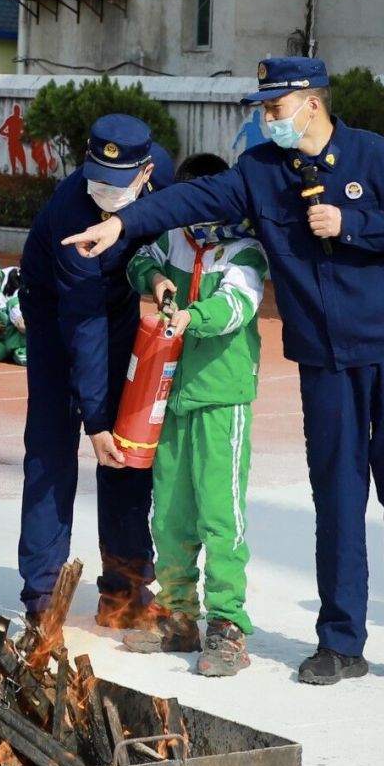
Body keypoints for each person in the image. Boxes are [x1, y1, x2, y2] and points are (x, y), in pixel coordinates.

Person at [64, 58, 384, 688]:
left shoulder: (378, 158)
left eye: (274, 108)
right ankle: (341, 641)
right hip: (323, 360)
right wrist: (121, 224)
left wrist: (353, 224)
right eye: (263, 109)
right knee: (338, 499)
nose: (266, 119)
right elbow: (191, 198)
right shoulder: (262, 174)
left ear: (311, 105)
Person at [18, 114, 173, 633]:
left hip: (122, 309)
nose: (103, 191)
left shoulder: (162, 176)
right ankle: (42, 596)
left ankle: (124, 590)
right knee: (51, 450)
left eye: (117, 181)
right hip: (57, 315)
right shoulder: (70, 215)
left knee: (128, 452)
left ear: (145, 171)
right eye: (95, 178)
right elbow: (82, 325)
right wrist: (95, 420)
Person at [123, 153, 269, 678]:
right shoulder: (175, 239)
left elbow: (237, 306)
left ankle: (227, 624)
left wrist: (191, 315)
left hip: (220, 398)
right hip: (172, 396)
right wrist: (158, 280)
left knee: (219, 513)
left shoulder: (246, 250)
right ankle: (179, 614)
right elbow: (138, 259)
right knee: (170, 512)